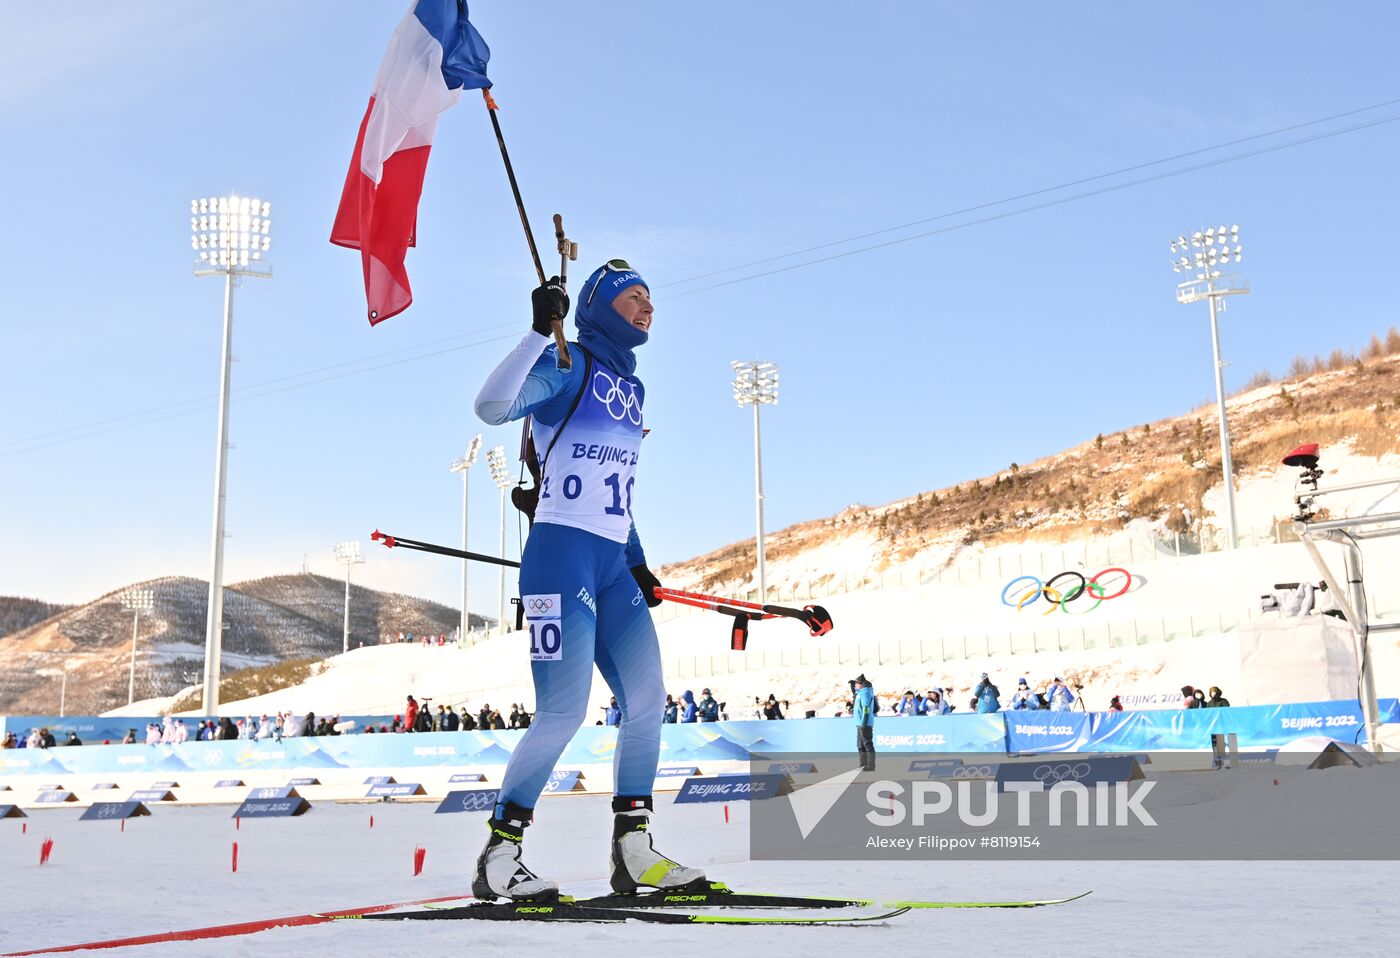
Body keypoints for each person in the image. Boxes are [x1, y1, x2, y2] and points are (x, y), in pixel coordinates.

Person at [468, 263, 701, 902]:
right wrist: (539, 333)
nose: (647, 306)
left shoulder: (635, 390)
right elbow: (492, 407)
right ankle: (500, 856)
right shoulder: (568, 366)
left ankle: (634, 851)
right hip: (559, 558)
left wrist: (638, 559)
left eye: (651, 297)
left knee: (649, 700)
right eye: (633, 297)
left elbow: (615, 491)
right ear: (597, 306)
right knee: (565, 710)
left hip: (609, 561)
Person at [852, 674, 876, 772]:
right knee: (860, 744)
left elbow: (866, 709)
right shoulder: (860, 693)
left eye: (856, 684)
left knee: (867, 744)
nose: (855, 686)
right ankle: (863, 764)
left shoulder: (865, 693)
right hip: (859, 723)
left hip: (865, 723)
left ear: (861, 684)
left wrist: (864, 723)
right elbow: (856, 696)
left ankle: (870, 765)